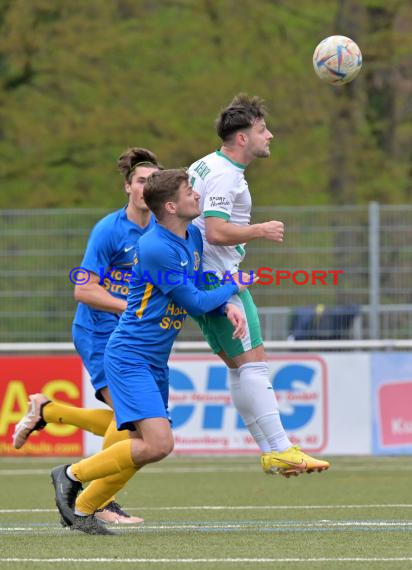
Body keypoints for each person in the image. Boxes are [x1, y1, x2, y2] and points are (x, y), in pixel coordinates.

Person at [50, 168, 251, 535]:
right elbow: (192, 301)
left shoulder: (190, 236)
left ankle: (83, 508)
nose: (197, 193)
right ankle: (70, 475)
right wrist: (234, 285)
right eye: (190, 190)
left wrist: (227, 306)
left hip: (153, 360)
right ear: (172, 205)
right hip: (130, 356)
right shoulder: (156, 246)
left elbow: (193, 287)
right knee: (158, 444)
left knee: (142, 445)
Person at [12, 148, 162, 524]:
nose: (147, 187)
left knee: (129, 419)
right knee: (135, 424)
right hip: (99, 331)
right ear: (128, 187)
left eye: (153, 181)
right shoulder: (109, 230)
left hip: (134, 336)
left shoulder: (162, 230)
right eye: (141, 181)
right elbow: (83, 289)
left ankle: (49, 410)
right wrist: (128, 308)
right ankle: (98, 499)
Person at [188, 93, 330, 476]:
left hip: (203, 276)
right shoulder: (222, 174)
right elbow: (216, 231)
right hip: (219, 280)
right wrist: (260, 230)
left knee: (240, 367)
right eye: (262, 130)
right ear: (241, 138)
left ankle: (271, 450)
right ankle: (280, 448)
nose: (270, 135)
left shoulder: (205, 165)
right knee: (254, 366)